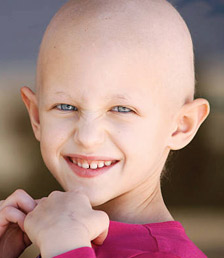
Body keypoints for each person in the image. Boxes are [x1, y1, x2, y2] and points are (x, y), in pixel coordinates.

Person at [0, 0, 210, 257]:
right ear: (36, 117)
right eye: (65, 106)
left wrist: (64, 246)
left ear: (181, 126)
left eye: (122, 109)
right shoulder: (53, 231)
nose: (87, 138)